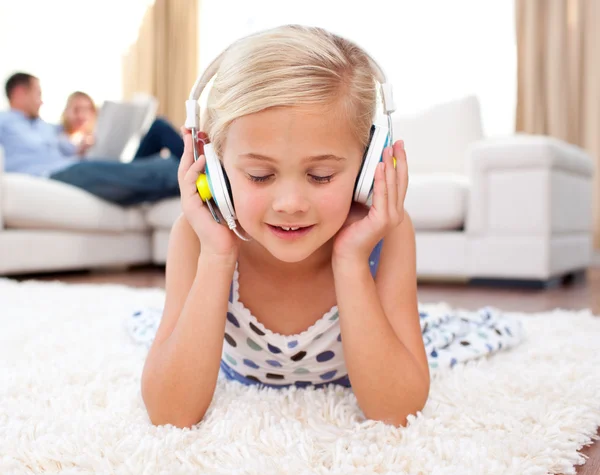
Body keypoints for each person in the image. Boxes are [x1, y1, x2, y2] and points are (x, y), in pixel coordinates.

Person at [125, 25, 524, 430]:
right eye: (260, 175)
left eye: (320, 175)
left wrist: (350, 261)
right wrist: (216, 256)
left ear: (371, 165)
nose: (291, 204)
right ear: (212, 166)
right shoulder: (197, 238)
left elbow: (396, 410)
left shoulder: (387, 235)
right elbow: (170, 413)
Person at [0, 73, 181, 205]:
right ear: (19, 92)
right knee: (156, 170)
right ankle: (193, 173)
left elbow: (66, 142)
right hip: (58, 173)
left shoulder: (43, 126)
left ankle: (189, 167)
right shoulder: (5, 121)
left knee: (158, 126)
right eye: (37, 93)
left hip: (77, 164)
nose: (41, 101)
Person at [60, 90, 184, 161]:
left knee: (158, 125)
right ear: (66, 111)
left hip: (122, 159)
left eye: (87, 110)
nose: (81, 115)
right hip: (106, 168)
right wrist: (78, 153)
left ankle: (191, 156)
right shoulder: (59, 137)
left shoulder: (95, 133)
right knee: (159, 127)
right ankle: (192, 162)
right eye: (76, 110)